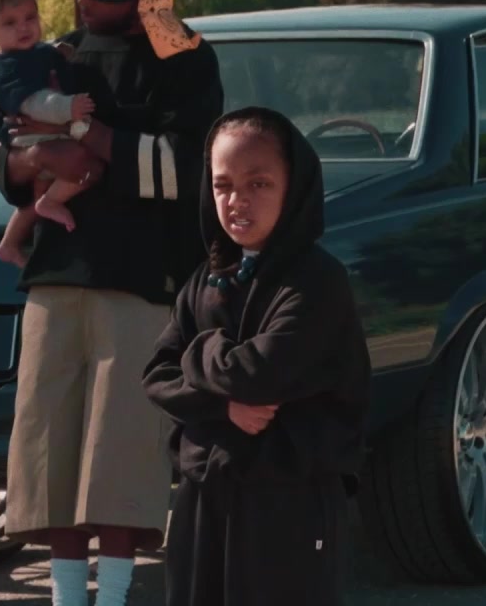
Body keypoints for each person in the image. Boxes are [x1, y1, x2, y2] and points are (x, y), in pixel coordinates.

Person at [0, 0, 224, 606]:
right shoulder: (59, 50)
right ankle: (68, 599)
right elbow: (3, 145)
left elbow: (189, 169)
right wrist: (33, 159)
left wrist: (88, 138)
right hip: (54, 279)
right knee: (49, 453)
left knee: (121, 457)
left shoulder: (187, 57)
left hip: (143, 285)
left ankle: (112, 597)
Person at [142, 106, 372, 606]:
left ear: (294, 186)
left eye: (259, 184)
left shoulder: (316, 281)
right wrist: (222, 406)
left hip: (289, 498)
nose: (237, 200)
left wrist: (201, 347)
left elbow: (257, 374)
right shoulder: (206, 278)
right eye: (222, 185)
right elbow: (157, 374)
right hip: (207, 491)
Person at [0, 0, 99, 268]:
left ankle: (9, 243)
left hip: (41, 138)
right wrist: (68, 108)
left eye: (30, 17)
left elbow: (50, 61)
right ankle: (51, 203)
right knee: (88, 165)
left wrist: (63, 54)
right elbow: (34, 102)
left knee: (36, 194)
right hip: (27, 136)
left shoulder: (33, 54)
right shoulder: (10, 69)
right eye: (10, 22)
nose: (23, 27)